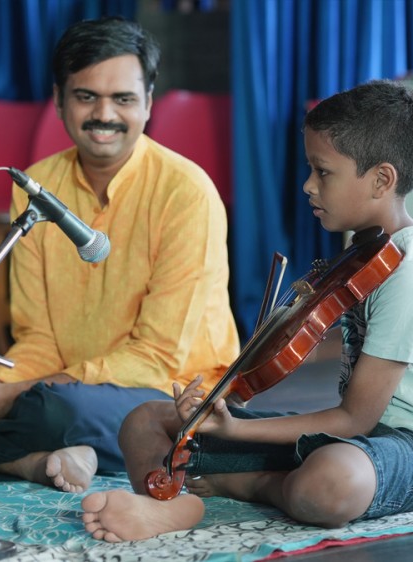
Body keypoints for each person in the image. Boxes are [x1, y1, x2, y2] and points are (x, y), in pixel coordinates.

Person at [0, 16, 239, 492]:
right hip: (57, 387)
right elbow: (38, 336)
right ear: (59, 101)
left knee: (60, 410)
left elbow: (158, 356)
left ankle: (21, 450)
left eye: (122, 99)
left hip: (167, 393)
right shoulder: (37, 188)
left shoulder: (186, 192)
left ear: (148, 103)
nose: (105, 114)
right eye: (87, 97)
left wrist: (19, 391)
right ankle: (35, 463)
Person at [82, 79, 413, 542]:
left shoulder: (404, 271)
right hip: (350, 441)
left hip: (398, 447)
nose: (308, 185)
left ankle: (233, 487)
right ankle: (172, 504)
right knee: (144, 421)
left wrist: (235, 431)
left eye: (323, 172)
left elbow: (356, 419)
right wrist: (223, 407)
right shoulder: (366, 249)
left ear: (382, 180)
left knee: (331, 482)